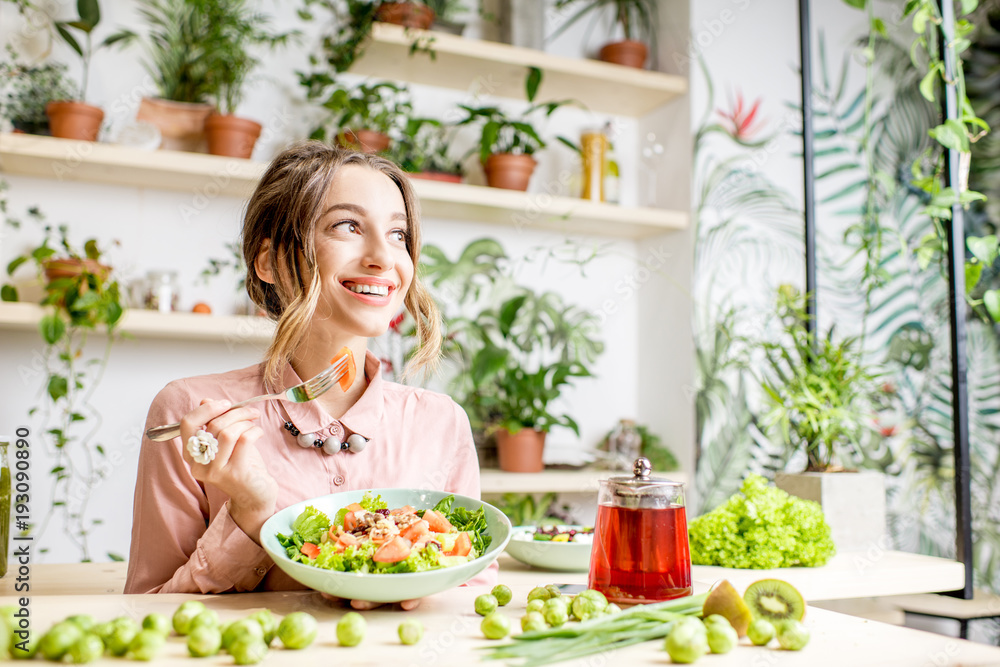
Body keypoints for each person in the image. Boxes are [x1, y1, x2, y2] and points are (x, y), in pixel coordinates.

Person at [125, 142, 495, 606]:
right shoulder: (192, 416)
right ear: (270, 261)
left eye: (399, 235)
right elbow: (147, 611)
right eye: (348, 226)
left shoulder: (440, 422)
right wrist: (249, 515)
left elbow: (475, 603)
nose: (384, 256)